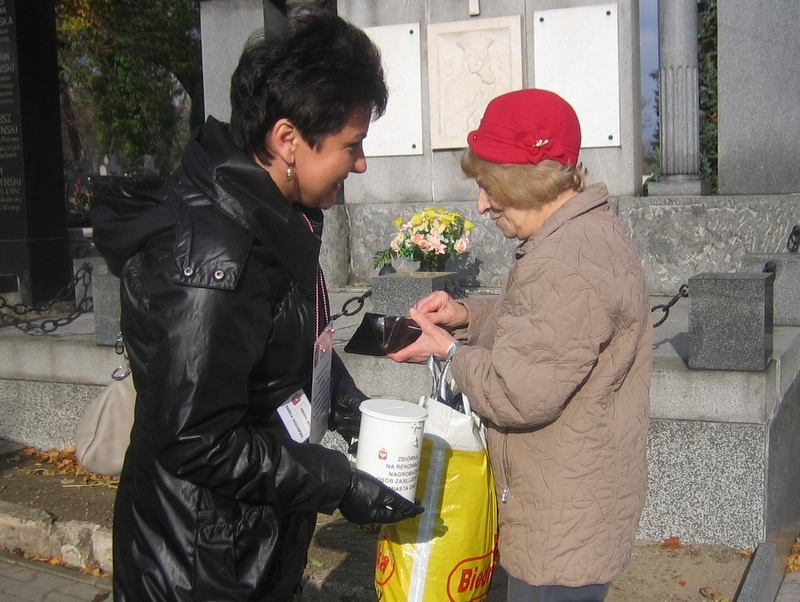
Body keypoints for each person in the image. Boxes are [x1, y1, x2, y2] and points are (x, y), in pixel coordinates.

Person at [89, 9, 422, 602]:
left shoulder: (270, 216)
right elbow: (195, 438)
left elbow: (286, 342)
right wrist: (337, 483)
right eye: (353, 144)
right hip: (202, 561)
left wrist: (350, 410)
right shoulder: (215, 263)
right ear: (288, 139)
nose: (362, 163)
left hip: (248, 539)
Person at [389, 89, 652, 602]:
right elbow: (548, 327)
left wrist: (448, 351)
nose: (482, 205)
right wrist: (467, 316)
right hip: (572, 502)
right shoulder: (574, 238)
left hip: (561, 520)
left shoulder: (564, 261)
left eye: (490, 187)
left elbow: (515, 393)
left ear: (529, 181)